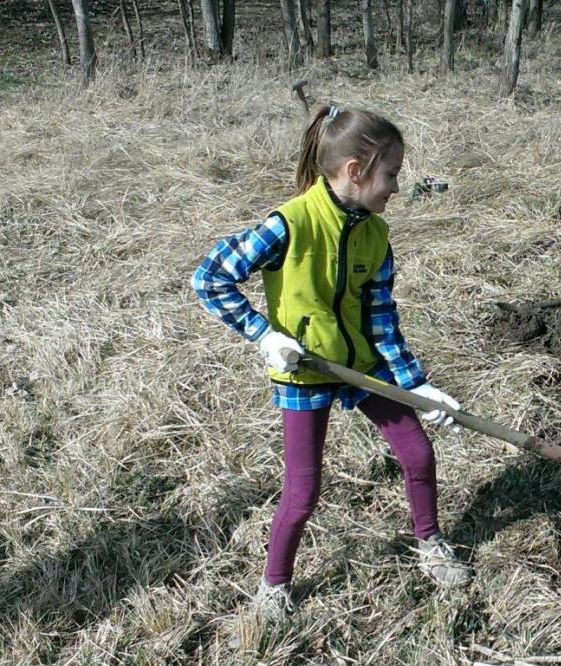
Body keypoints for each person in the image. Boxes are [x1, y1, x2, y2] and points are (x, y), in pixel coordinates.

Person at [191, 104, 471, 616]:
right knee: (303, 491)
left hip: (363, 365)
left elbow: (381, 317)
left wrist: (419, 386)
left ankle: (429, 543)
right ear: (356, 171)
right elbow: (209, 278)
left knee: (418, 455)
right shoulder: (289, 224)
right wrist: (262, 334)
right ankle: (274, 585)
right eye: (391, 174)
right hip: (305, 369)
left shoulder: (376, 234)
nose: (395, 187)